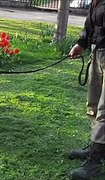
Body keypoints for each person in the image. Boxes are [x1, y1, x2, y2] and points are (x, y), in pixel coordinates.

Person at [68, 0, 105, 179]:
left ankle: (95, 161)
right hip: (97, 53)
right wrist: (81, 44)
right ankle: (96, 147)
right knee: (94, 104)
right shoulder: (96, 2)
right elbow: (90, 25)